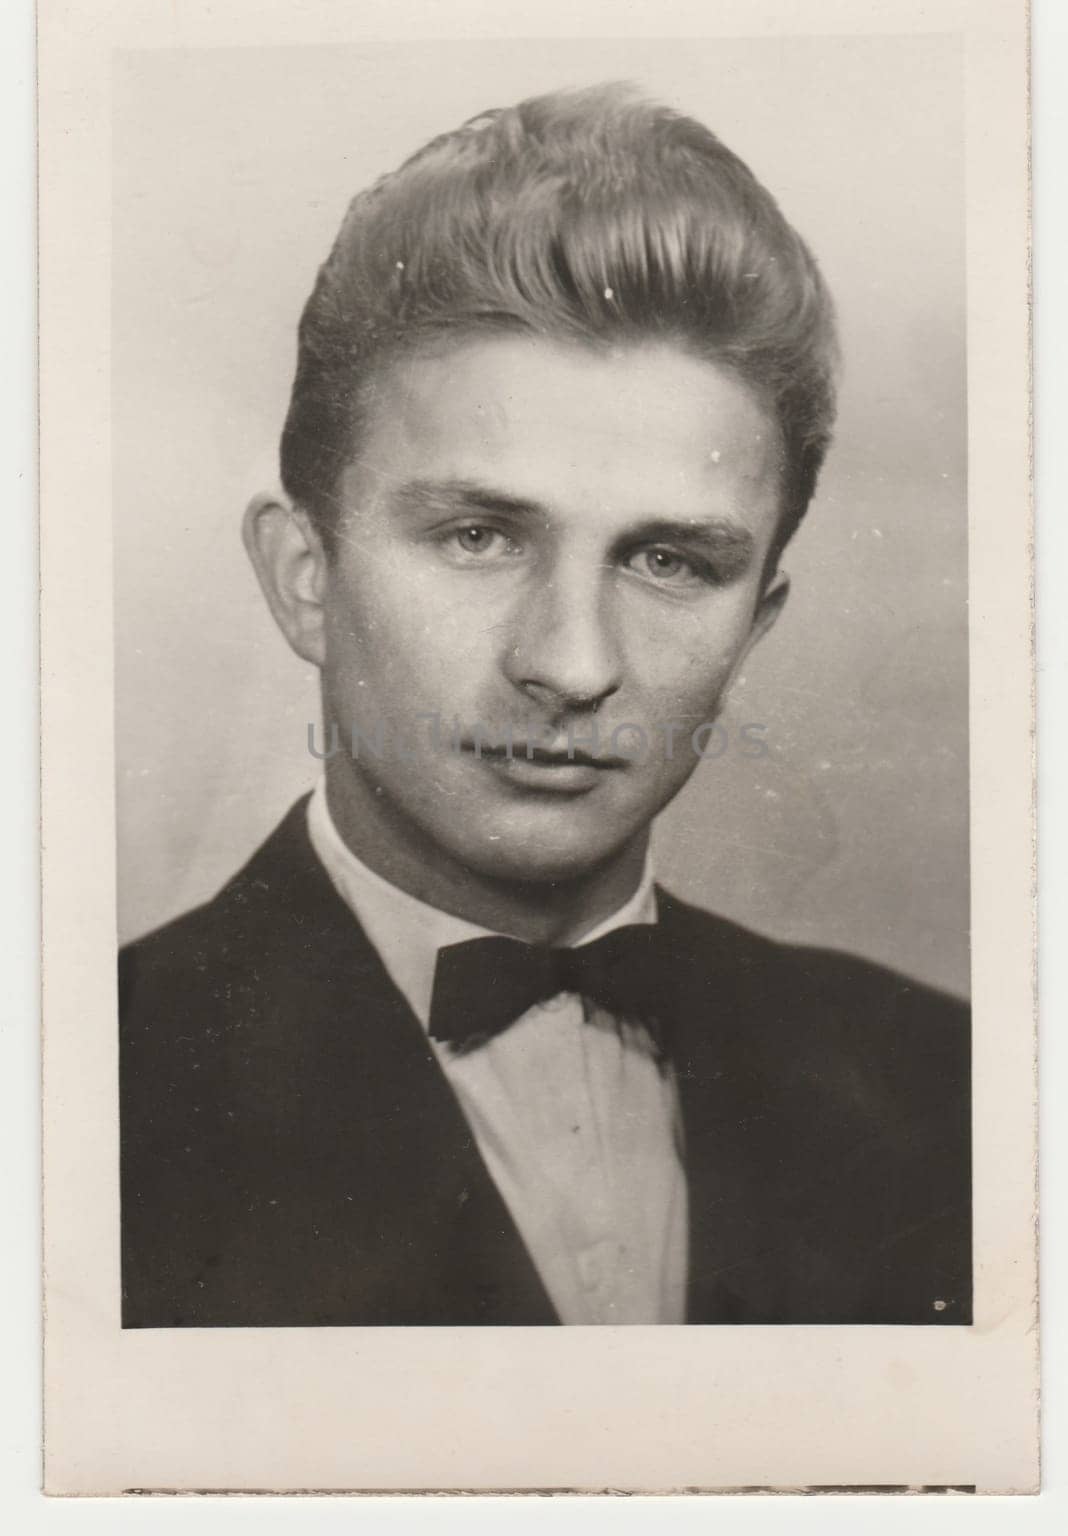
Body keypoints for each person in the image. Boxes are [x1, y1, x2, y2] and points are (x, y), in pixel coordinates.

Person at [119, 85, 971, 1328]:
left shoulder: (954, 1082)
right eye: (478, 535)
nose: (572, 665)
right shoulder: (74, 1096)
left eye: (670, 561)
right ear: (304, 579)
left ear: (756, 624)